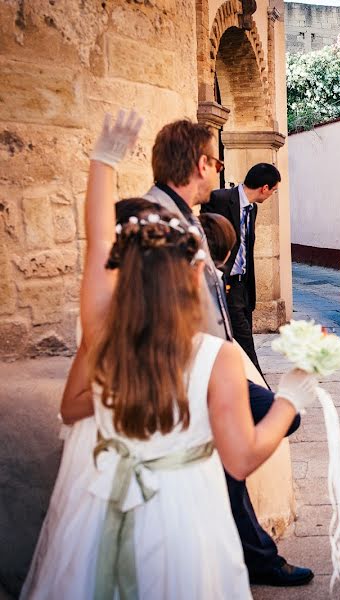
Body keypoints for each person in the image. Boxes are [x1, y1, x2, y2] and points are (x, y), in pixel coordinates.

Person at [22, 111, 316, 599]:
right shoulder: (203, 355)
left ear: (125, 264)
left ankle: (258, 550)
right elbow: (241, 457)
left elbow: (73, 404)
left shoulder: (105, 336)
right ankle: (258, 553)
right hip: (180, 505)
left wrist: (102, 163)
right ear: (183, 275)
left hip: (106, 505)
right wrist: (292, 393)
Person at [143, 120, 313, 585]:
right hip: (189, 373)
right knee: (255, 438)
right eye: (217, 161)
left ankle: (252, 551)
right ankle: (256, 554)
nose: (220, 171)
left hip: (210, 366)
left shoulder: (178, 214)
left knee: (261, 435)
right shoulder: (159, 220)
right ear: (201, 164)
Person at [201, 164, 281, 373]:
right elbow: (207, 238)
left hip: (243, 285)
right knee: (244, 340)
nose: (273, 194)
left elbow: (246, 246)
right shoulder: (218, 199)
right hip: (225, 283)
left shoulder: (253, 209)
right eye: (273, 190)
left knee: (239, 337)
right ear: (264, 187)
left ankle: (235, 380)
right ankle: (261, 389)